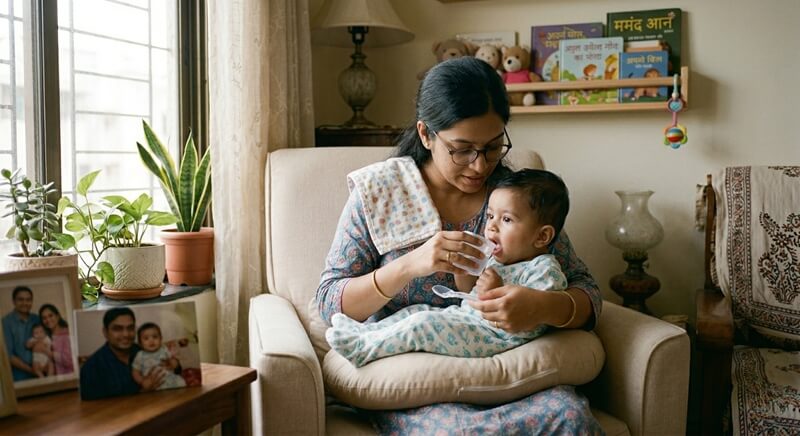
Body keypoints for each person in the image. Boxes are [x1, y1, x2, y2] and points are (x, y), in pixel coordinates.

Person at [316, 56, 603, 433]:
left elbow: (587, 290)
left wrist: (542, 306)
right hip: (418, 382)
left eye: (493, 147)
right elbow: (329, 302)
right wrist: (409, 265)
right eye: (461, 149)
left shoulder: (514, 200)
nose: (480, 166)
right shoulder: (380, 194)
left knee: (571, 416)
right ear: (425, 134)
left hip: (507, 372)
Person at [327, 169, 570, 367]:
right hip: (464, 318)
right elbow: (467, 292)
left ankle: (364, 349)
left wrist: (494, 291)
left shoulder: (544, 270)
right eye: (490, 216)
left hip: (493, 337)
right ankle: (362, 333)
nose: (491, 227)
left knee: (423, 324)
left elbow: (533, 321)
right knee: (416, 311)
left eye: (506, 219)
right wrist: (461, 270)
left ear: (542, 236)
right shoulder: (499, 259)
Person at [79, 307, 165, 400]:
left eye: (130, 328)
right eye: (117, 329)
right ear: (105, 332)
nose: (126, 334)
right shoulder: (92, 368)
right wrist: (143, 392)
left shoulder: (144, 351)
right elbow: (93, 407)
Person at [132, 322, 186, 390]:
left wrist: (173, 363)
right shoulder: (140, 355)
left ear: (161, 339)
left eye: (155, 337)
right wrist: (142, 381)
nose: (151, 341)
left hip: (171, 380)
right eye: (146, 338)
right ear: (140, 343)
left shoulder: (164, 349)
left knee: (182, 386)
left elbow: (173, 361)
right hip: (154, 385)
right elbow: (135, 372)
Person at [2, 286, 40, 381]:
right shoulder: (6, 322)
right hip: (19, 377)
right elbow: (8, 355)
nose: (25, 303)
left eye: (28, 300)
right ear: (14, 301)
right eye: (20, 300)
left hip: (42, 372)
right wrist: (32, 371)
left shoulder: (37, 319)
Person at [39, 304, 74, 376]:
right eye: (44, 318)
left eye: (50, 316)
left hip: (68, 377)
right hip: (52, 378)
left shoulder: (67, 334)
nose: (48, 320)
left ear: (57, 316)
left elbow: (68, 361)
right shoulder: (45, 336)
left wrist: (47, 352)